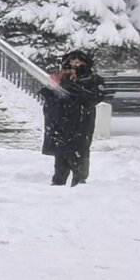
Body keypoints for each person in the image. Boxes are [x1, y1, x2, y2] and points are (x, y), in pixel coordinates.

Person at [42, 49, 105, 185]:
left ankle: (79, 181)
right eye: (72, 62)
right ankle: (58, 182)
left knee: (80, 152)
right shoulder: (63, 78)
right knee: (61, 154)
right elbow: (52, 98)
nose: (75, 65)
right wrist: (52, 88)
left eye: (78, 62)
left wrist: (75, 88)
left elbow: (94, 97)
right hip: (61, 122)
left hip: (81, 122)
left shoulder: (93, 79)